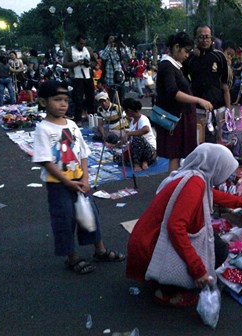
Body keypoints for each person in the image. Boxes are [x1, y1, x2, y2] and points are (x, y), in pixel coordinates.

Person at [126, 143, 242, 307]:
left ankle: (163, 282)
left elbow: (217, 196)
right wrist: (198, 270)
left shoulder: (193, 176)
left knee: (213, 242)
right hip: (151, 247)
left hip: (146, 240)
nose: (227, 177)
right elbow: (175, 228)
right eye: (225, 171)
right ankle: (167, 290)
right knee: (218, 249)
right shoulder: (194, 183)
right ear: (216, 167)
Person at [32, 81, 125, 275]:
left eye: (66, 100)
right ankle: (71, 257)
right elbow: (46, 161)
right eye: (57, 100)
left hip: (80, 181)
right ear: (42, 101)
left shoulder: (72, 124)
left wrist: (85, 178)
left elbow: (83, 153)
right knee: (65, 220)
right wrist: (67, 182)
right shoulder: (43, 129)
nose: (63, 104)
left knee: (90, 216)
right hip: (58, 185)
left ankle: (100, 250)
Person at [156, 32, 213, 173]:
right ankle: (172, 188)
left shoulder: (174, 65)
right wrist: (199, 100)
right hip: (176, 118)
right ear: (176, 47)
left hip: (182, 116)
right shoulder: (167, 66)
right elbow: (174, 92)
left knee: (180, 155)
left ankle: (175, 187)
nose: (187, 55)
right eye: (186, 51)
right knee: (175, 156)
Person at [182, 24, 231, 142]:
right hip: (197, 108)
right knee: (199, 142)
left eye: (207, 37)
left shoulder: (219, 56)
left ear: (211, 38)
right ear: (195, 39)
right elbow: (183, 80)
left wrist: (228, 111)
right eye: (201, 37)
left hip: (219, 108)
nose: (205, 40)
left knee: (221, 142)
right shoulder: (190, 59)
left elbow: (225, 86)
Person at [63, 34, 97, 125]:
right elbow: (65, 63)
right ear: (77, 42)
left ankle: (92, 118)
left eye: (84, 43)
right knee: (78, 99)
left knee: (91, 98)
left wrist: (89, 64)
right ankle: (78, 119)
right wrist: (77, 63)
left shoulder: (88, 49)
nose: (82, 45)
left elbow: (95, 63)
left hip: (88, 77)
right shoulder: (70, 50)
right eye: (81, 43)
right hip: (77, 78)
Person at [120, 98, 157, 171]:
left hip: (149, 151)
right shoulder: (133, 121)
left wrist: (130, 134)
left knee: (137, 138)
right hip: (138, 152)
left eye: (125, 111)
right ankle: (142, 161)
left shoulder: (143, 119)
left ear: (129, 111)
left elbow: (146, 129)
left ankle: (138, 163)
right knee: (119, 158)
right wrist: (115, 145)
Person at [100, 34, 130, 102]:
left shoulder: (119, 51)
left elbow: (129, 56)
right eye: (110, 40)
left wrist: (124, 46)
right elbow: (103, 56)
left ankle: (122, 112)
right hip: (111, 81)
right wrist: (109, 45)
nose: (113, 42)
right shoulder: (103, 51)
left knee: (122, 100)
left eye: (113, 40)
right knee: (112, 100)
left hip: (120, 79)